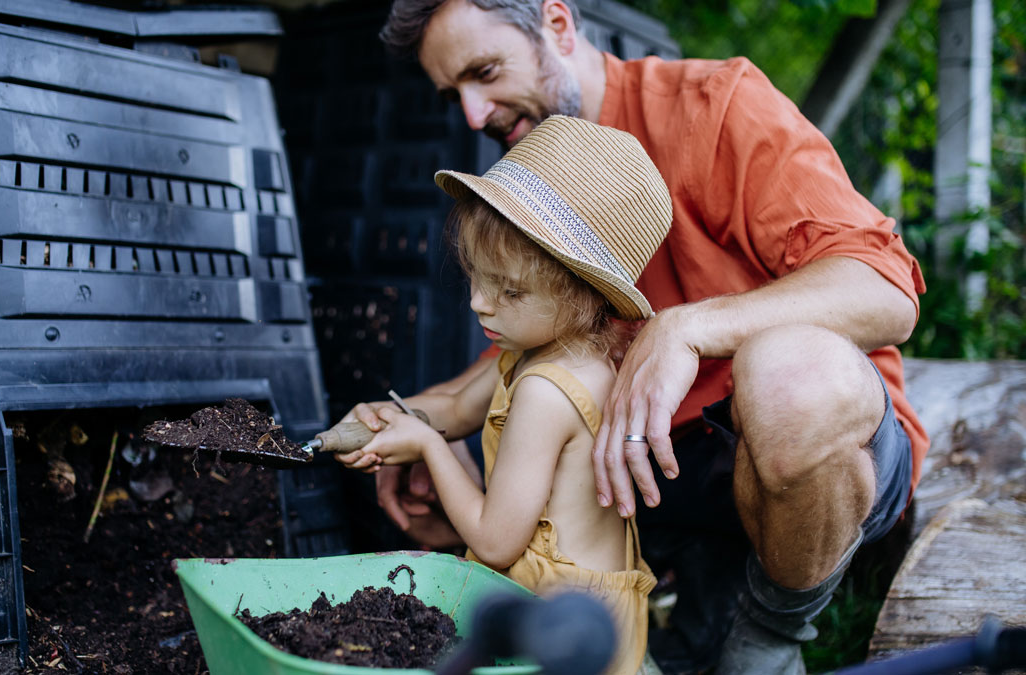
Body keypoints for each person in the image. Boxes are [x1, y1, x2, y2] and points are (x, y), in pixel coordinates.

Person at [343, 1, 931, 673]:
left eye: (485, 71)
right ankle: (674, 616)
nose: (475, 116)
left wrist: (687, 327)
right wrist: (415, 421)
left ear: (558, 26)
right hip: (661, 474)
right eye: (455, 95)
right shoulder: (543, 171)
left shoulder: (715, 106)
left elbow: (886, 290)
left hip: (815, 451)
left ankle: (772, 632)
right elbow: (498, 371)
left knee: (789, 376)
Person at [339, 115, 670, 675]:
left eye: (509, 289)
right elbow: (462, 409)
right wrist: (398, 419)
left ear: (583, 294)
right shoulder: (567, 353)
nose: (479, 304)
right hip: (599, 612)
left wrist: (427, 446)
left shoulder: (545, 391)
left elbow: (495, 542)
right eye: (476, 274)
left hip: (552, 623)